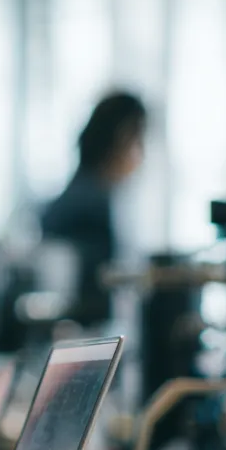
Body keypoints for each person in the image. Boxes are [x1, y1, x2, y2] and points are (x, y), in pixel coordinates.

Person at [40, 90, 147, 328]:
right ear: (120, 139)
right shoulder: (88, 205)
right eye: (138, 141)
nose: (142, 155)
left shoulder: (90, 196)